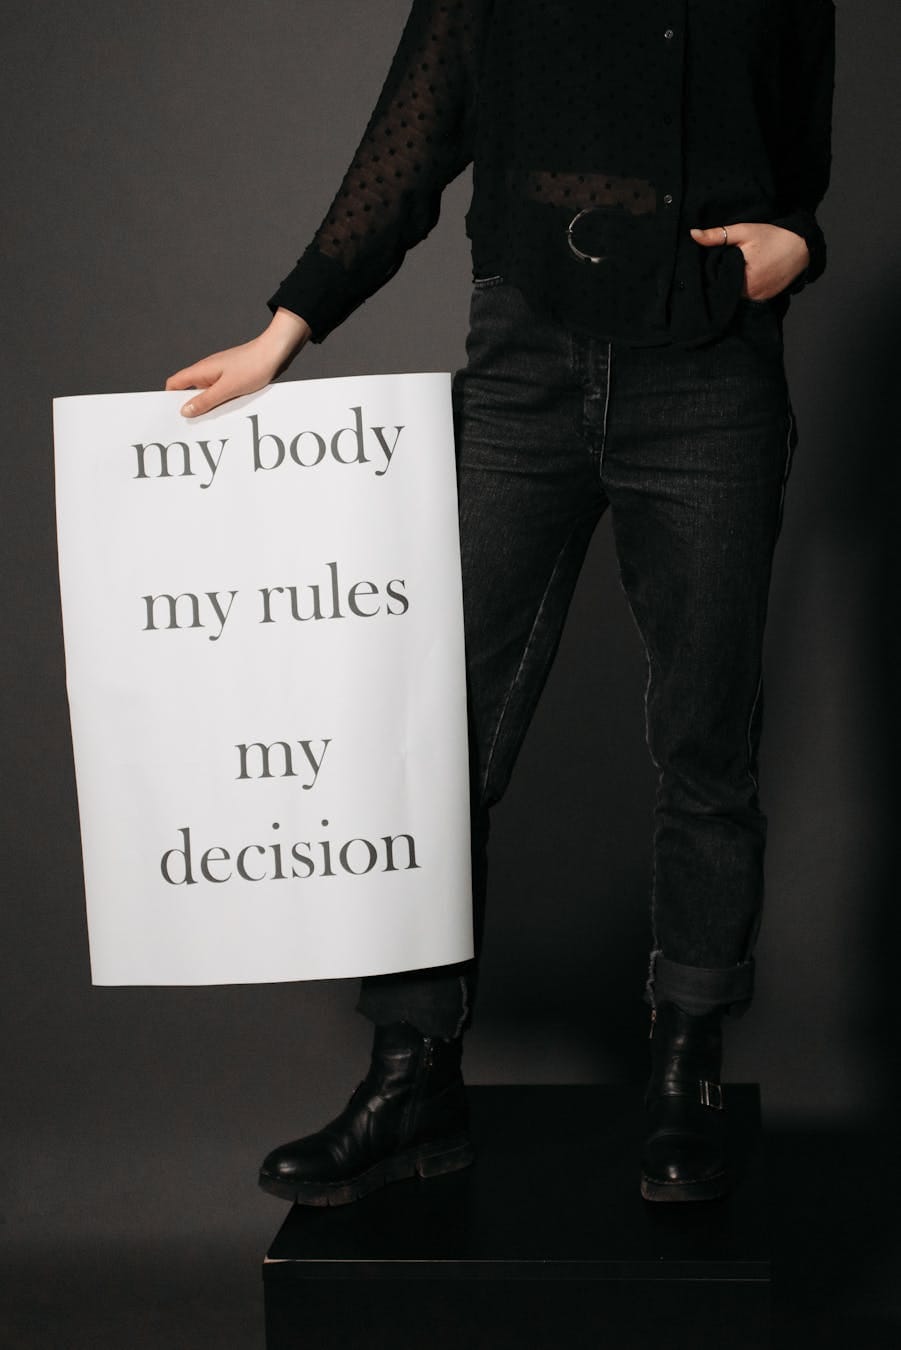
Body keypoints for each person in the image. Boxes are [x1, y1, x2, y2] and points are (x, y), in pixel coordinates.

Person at [167, 0, 835, 1203]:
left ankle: (685, 1066)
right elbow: (407, 149)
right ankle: (412, 1076)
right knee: (442, 734)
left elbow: (797, 160)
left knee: (704, 743)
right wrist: (285, 332)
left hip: (709, 378)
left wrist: (798, 243)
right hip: (525, 362)